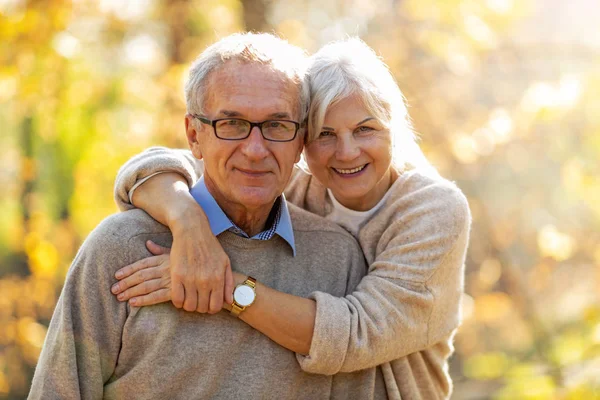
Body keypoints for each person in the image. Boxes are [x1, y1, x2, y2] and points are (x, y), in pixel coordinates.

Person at [29, 32, 385, 399]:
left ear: (300, 140)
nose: (255, 149)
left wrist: (231, 288)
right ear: (194, 135)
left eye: (277, 125)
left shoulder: (338, 259)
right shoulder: (122, 248)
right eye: (231, 124)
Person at [111, 37, 472, 399]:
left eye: (365, 129)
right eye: (325, 134)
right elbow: (153, 168)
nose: (347, 152)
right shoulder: (296, 182)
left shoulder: (433, 209)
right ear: (301, 142)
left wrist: (220, 285)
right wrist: (187, 223)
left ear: (394, 128)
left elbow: (356, 335)